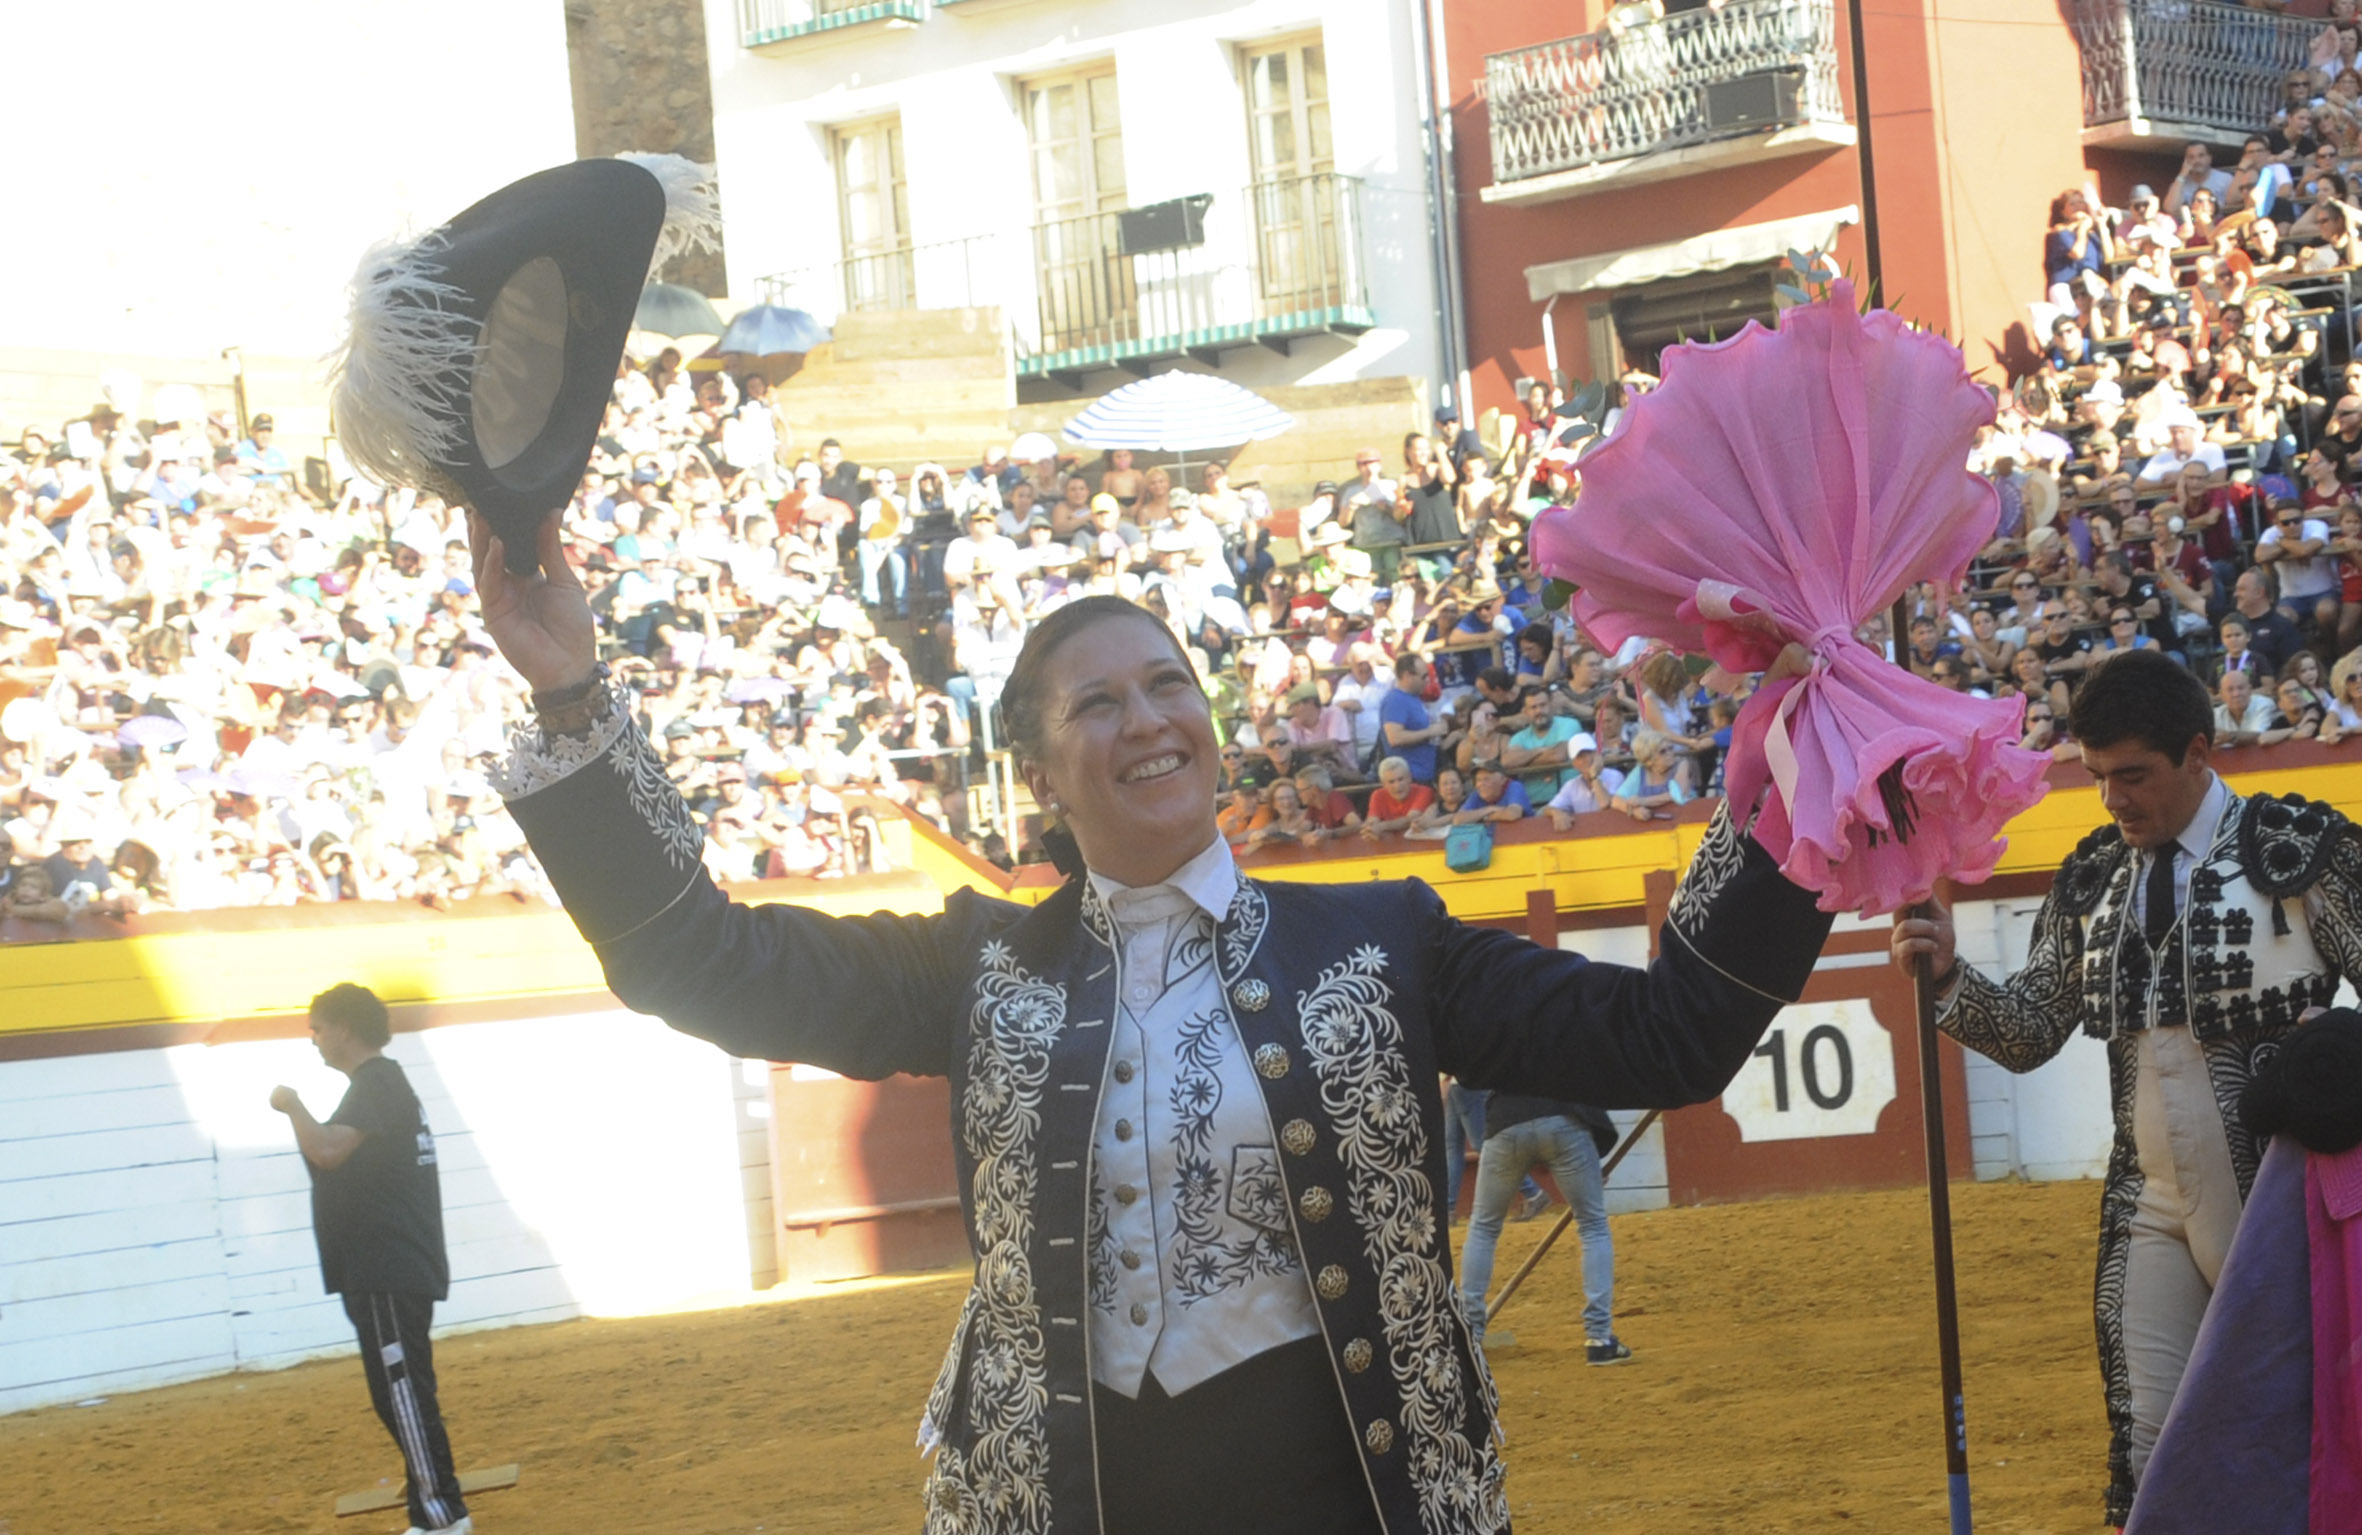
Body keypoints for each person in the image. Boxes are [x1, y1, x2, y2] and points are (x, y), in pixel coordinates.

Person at [470, 499, 1837, 1533]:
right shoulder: (975, 965)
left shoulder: (1381, 937)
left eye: (1169, 682)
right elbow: (698, 961)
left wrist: (1797, 780)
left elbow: (1668, 1034)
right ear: (1040, 769)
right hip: (1071, 1495)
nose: (1147, 718)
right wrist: (570, 694)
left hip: (1340, 1490)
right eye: (1099, 702)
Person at [1891, 651, 2362, 1526]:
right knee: (2150, 1447)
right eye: (2098, 775)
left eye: (2134, 775)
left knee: (2299, 1429)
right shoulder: (2091, 877)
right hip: (2148, 1203)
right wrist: (1950, 975)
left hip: (2282, 1205)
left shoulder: (2299, 848)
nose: (2113, 798)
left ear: (2197, 752)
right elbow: (2030, 1030)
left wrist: (2336, 1052)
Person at [269, 983, 470, 1535]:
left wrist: (291, 1104)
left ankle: (442, 1515)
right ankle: (432, 1503)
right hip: (385, 1266)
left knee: (403, 1393)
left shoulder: (377, 1083)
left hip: (387, 1266)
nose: (313, 1039)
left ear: (343, 1028)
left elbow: (327, 1150)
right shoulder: (378, 1085)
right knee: (397, 1395)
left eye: (317, 1028)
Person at [1456, 1093, 1626, 1362]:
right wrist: (1592, 1156)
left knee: (1483, 1228)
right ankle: (1599, 1338)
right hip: (1563, 1117)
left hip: (1505, 1121)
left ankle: (1469, 1335)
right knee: (1592, 1224)